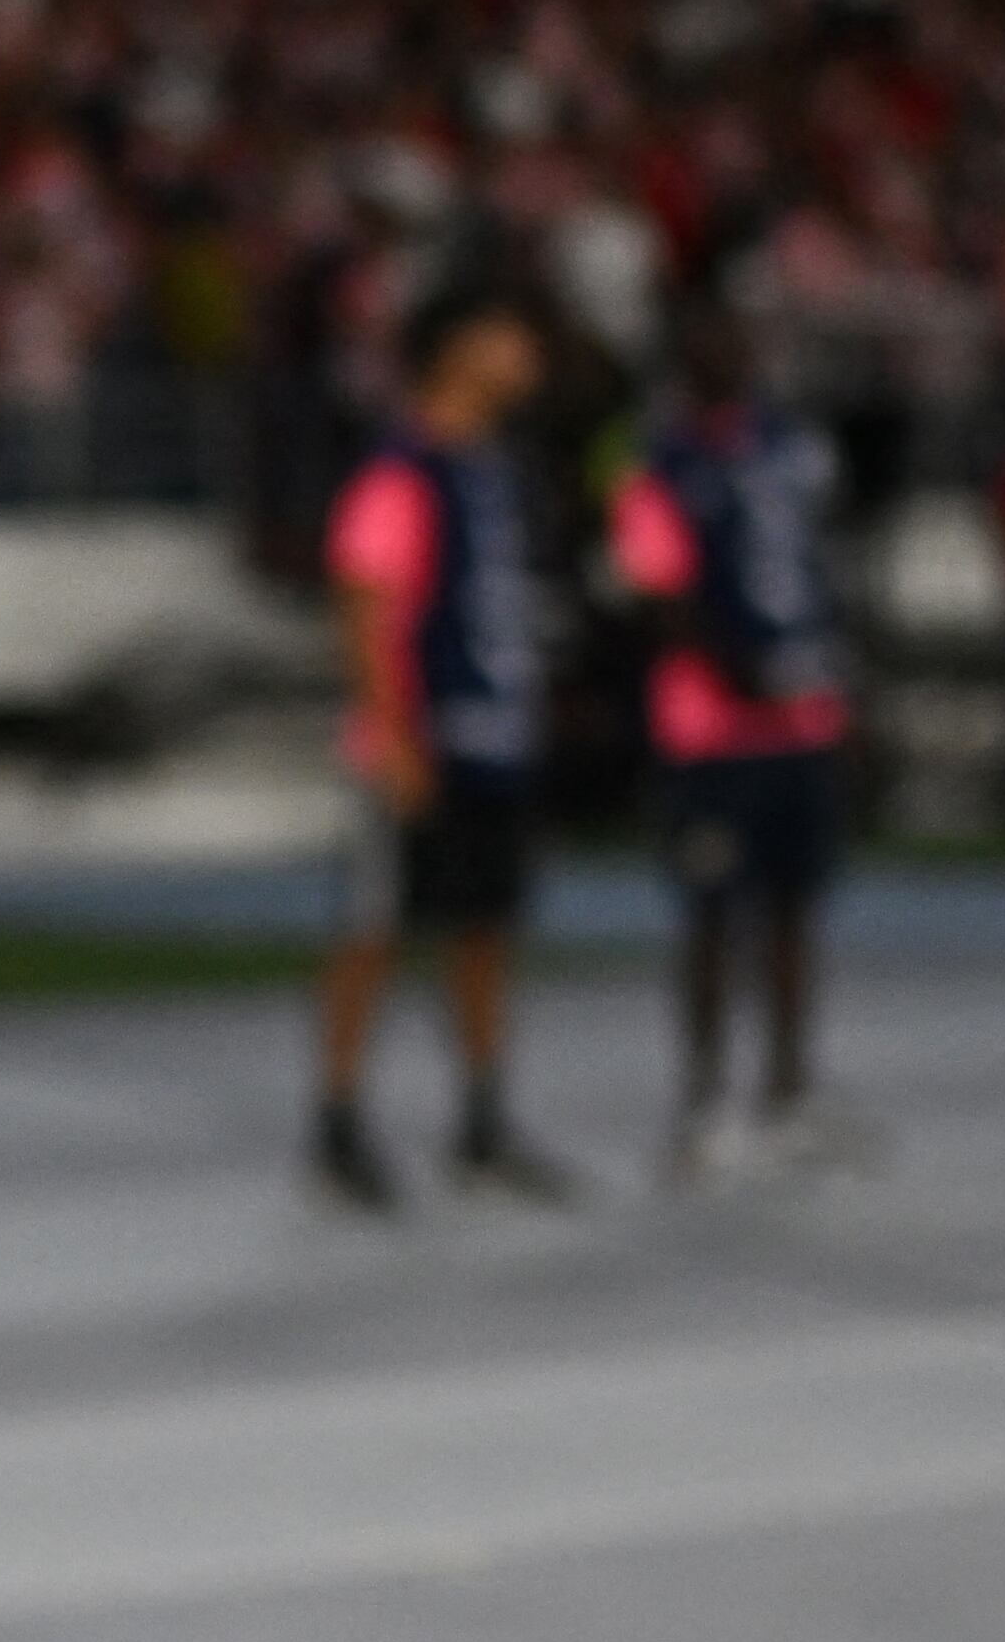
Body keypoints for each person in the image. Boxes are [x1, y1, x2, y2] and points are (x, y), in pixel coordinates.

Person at [309, 278, 577, 1211]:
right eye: (510, 334)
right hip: (424, 743)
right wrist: (393, 738)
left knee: (485, 928)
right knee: (374, 928)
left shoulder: (492, 466)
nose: (527, 356)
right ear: (459, 347)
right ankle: (336, 1122)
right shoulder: (404, 470)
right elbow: (364, 608)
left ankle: (482, 1116)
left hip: (493, 733)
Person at [612, 302, 869, 1182]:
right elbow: (658, 592)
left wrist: (832, 685)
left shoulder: (793, 450)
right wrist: (736, 668)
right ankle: (704, 1101)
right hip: (712, 731)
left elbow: (826, 568)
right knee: (712, 916)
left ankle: (789, 1091)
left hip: (800, 719)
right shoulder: (661, 466)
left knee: (796, 911)